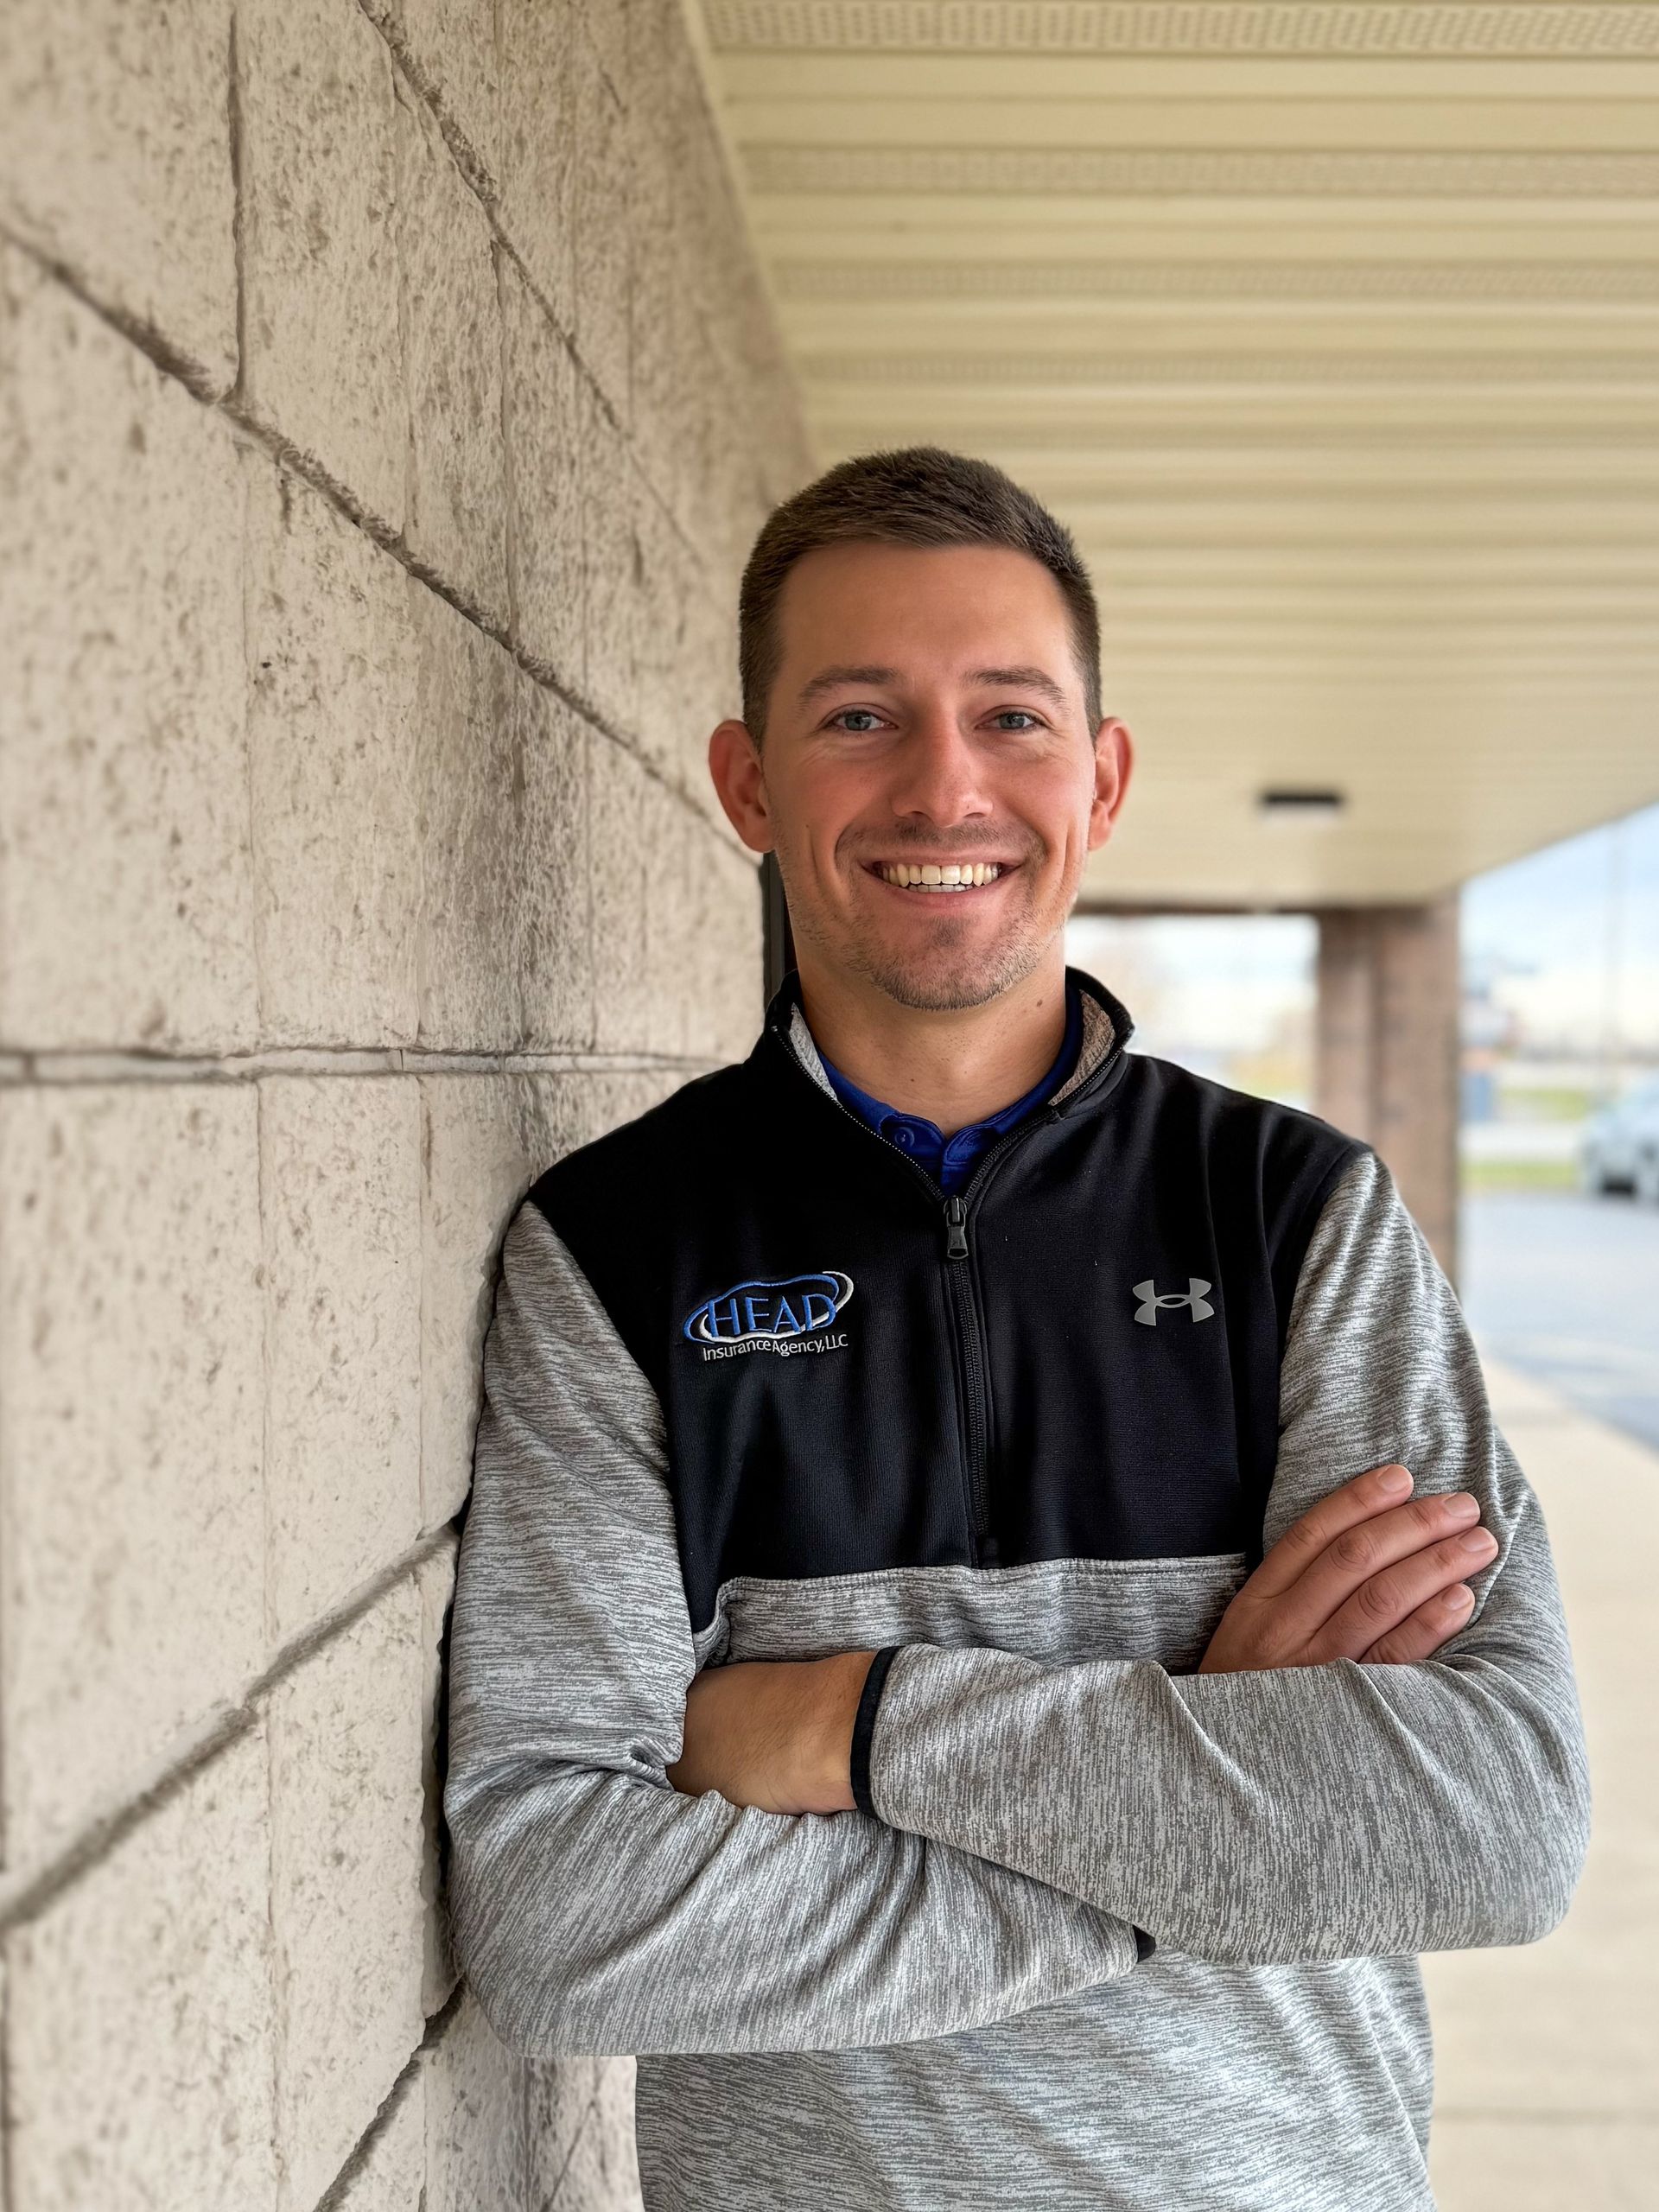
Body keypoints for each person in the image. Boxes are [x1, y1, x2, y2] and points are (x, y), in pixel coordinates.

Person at [442, 448, 1591, 2211]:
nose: (942, 784)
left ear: (1102, 777)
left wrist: (866, 1719)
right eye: (856, 716)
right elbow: (564, 1915)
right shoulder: (616, 1252)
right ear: (747, 783)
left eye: (1011, 716)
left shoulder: (1294, 1218)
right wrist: (1209, 1786)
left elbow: (1493, 1821)